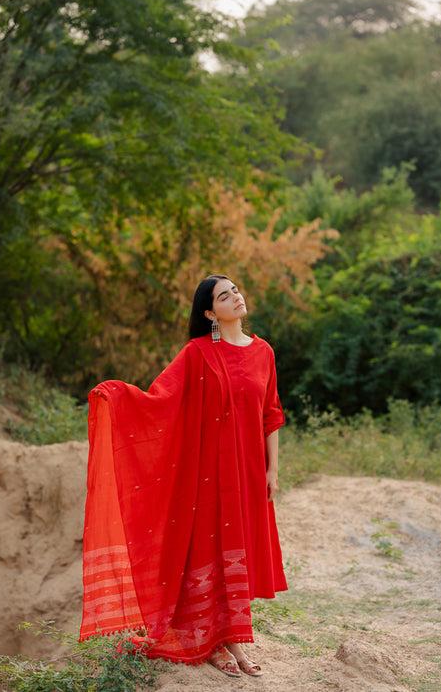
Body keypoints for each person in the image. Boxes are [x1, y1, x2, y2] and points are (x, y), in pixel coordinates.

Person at [78, 274, 288, 678]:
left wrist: (272, 469)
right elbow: (161, 398)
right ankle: (218, 643)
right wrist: (118, 396)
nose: (236, 298)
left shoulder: (264, 352)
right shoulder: (197, 354)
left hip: (247, 470)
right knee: (210, 549)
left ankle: (232, 639)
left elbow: (271, 414)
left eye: (236, 291)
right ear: (210, 312)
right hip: (208, 473)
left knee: (240, 546)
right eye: (224, 297)